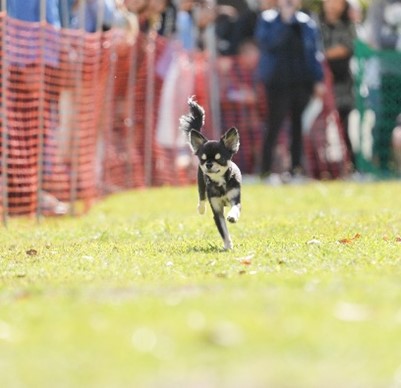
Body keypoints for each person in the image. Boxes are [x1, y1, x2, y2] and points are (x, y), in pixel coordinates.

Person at [255, 0, 325, 182]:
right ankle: (264, 171)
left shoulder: (306, 23)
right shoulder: (268, 20)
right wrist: (285, 22)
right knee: (274, 126)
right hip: (277, 84)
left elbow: (313, 53)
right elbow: (267, 43)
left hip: (301, 83)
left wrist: (318, 79)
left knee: (298, 127)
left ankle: (295, 171)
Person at [318, 0, 357, 173]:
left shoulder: (348, 25)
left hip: (343, 85)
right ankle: (321, 167)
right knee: (319, 128)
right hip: (319, 86)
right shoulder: (315, 23)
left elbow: (346, 48)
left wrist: (321, 55)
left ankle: (352, 166)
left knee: (345, 125)